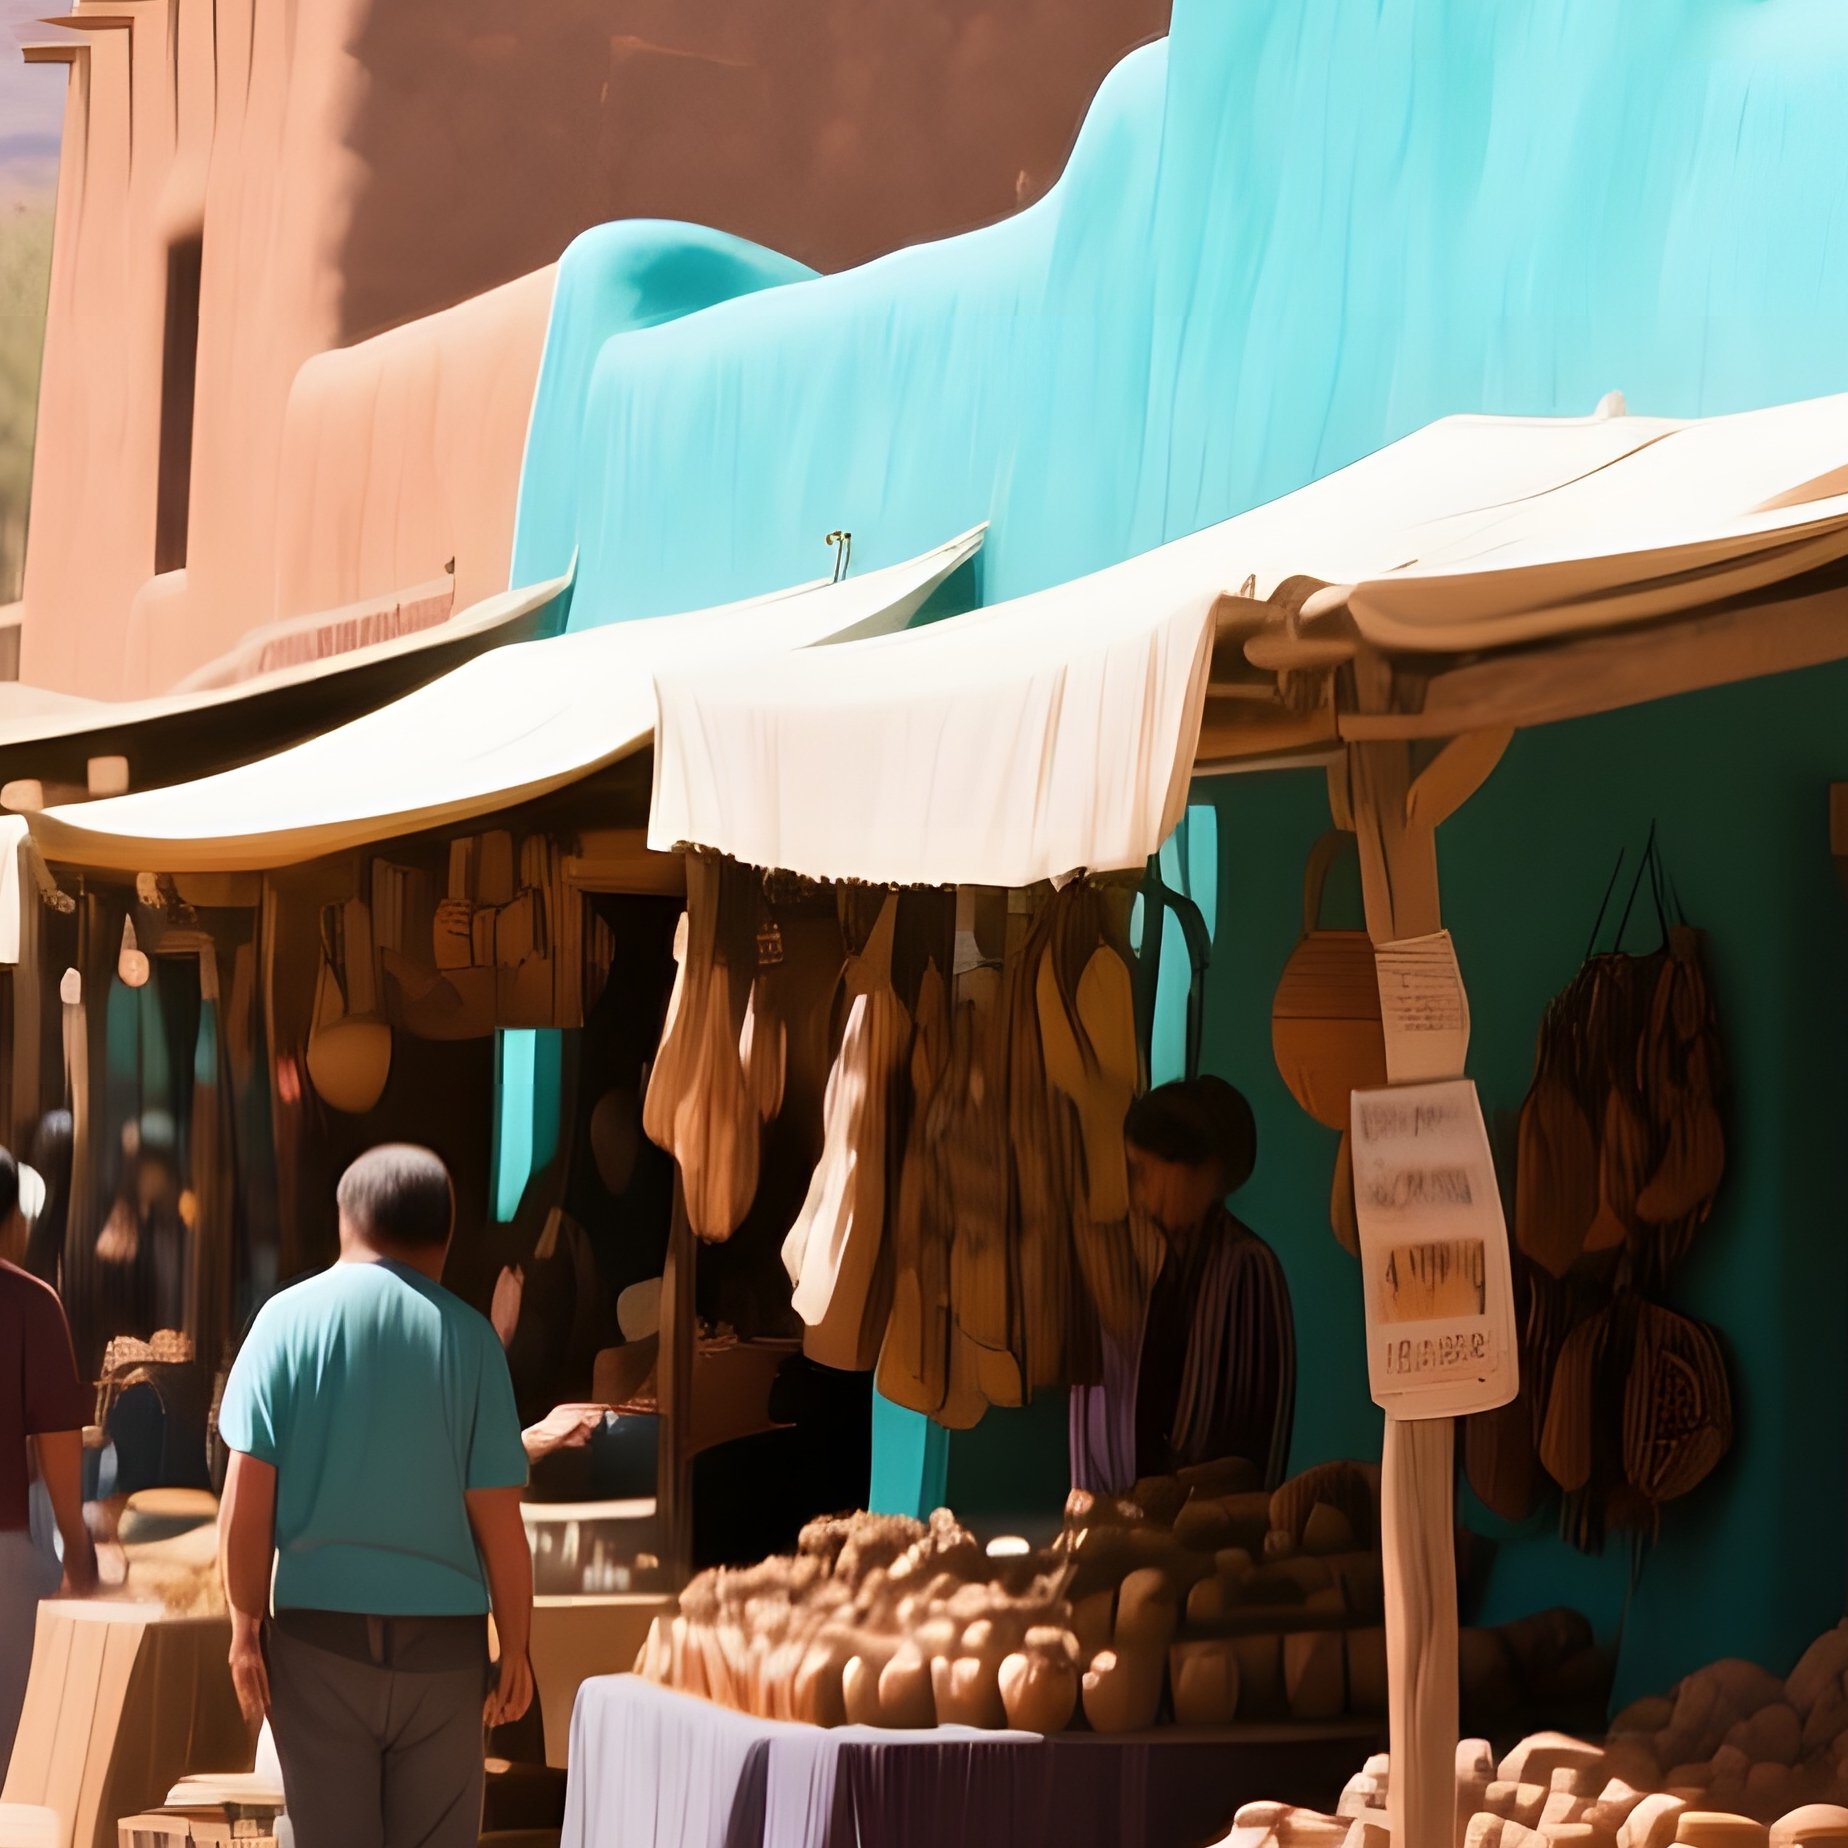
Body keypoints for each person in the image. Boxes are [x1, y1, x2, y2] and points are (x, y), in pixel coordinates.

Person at [217, 1145, 533, 1848]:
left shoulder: (283, 1323)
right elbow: (500, 1522)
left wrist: (243, 1626)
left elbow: (247, 1498)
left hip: (316, 1645)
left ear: (344, 1221)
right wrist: (516, 1647)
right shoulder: (472, 1341)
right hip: (445, 1657)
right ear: (447, 1235)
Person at [1070, 1076, 1296, 1498]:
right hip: (1112, 1525)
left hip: (1203, 1538)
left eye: (1144, 1171)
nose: (1137, 1193)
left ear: (1204, 1170)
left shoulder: (1247, 1267)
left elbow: (1251, 1452)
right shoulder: (1135, 1260)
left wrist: (1167, 1496)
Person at [0, 1144, 97, 1784]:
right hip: (4, 1559)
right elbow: (60, 1445)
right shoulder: (30, 1302)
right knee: (15, 1767)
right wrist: (78, 1547)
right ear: (12, 1218)